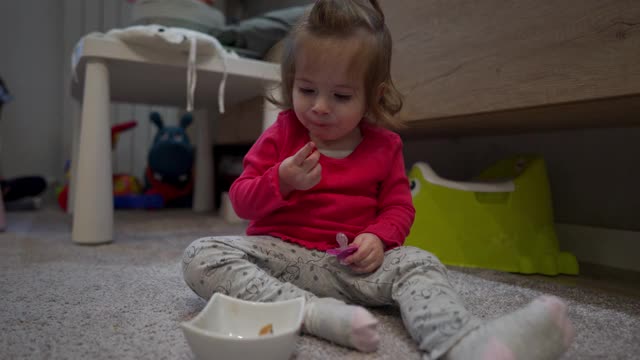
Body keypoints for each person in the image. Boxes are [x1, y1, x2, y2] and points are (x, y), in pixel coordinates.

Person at [182, 1, 575, 358]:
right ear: (290, 84)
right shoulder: (284, 132)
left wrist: (378, 237)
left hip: (354, 268)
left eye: (340, 96)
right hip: (282, 261)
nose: (319, 107)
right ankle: (312, 313)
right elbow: (241, 200)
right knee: (202, 254)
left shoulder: (385, 146)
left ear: (373, 96)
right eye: (306, 89)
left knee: (419, 261)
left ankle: (462, 343)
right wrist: (279, 181)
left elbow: (400, 207)